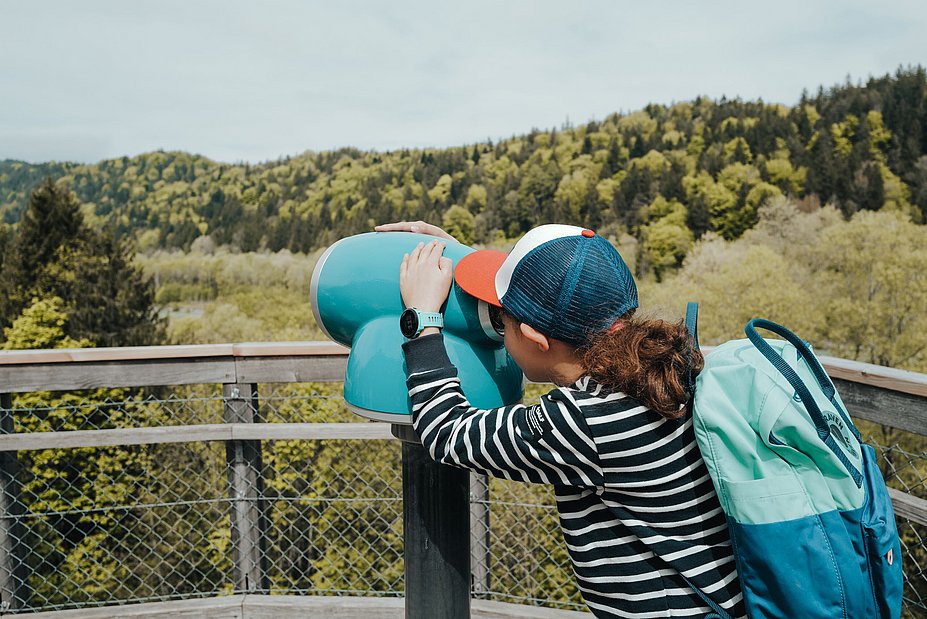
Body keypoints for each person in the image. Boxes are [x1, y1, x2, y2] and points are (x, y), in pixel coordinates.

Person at [376, 221, 746, 619]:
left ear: (535, 339)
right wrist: (461, 259)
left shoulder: (583, 420)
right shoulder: (667, 366)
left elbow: (447, 433)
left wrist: (422, 319)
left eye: (500, 318)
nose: (497, 326)